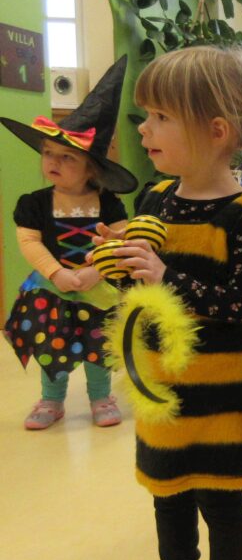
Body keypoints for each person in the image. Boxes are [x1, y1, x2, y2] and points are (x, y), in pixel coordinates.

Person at [108, 46, 242, 560]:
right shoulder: (153, 199)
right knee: (168, 489)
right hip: (160, 381)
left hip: (221, 388)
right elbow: (139, 288)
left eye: (159, 117)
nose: (144, 129)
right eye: (144, 116)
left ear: (215, 131)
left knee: (220, 500)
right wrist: (119, 264)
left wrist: (164, 275)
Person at [1, 56, 138, 430]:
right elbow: (29, 242)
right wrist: (56, 272)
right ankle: (51, 399)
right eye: (48, 154)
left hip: (98, 288)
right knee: (52, 346)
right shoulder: (34, 203)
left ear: (91, 168)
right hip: (51, 288)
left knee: (98, 346)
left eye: (67, 157)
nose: (53, 162)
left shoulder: (108, 203)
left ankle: (100, 397)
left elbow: (122, 239)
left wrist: (98, 270)